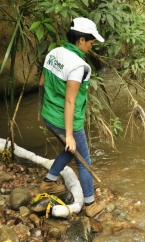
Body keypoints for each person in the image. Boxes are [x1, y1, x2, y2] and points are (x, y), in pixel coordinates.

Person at [38, 17, 105, 217]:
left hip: (48, 116)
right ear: (82, 40)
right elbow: (70, 101)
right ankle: (90, 205)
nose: (91, 47)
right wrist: (69, 133)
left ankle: (49, 183)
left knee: (70, 151)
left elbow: (42, 83)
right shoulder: (79, 66)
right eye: (91, 43)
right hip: (67, 122)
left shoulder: (54, 52)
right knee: (84, 161)